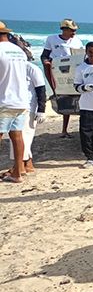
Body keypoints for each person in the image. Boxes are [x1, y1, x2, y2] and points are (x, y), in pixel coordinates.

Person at [0, 21, 31, 183]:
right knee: (17, 135)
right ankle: (18, 172)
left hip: (3, 99)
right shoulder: (19, 51)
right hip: (21, 99)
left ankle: (17, 172)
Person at [41, 19, 83, 138]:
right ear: (64, 29)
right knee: (62, 97)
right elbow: (44, 55)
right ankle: (64, 130)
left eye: (75, 30)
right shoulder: (52, 39)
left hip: (73, 71)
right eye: (71, 30)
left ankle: (78, 129)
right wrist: (46, 62)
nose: (74, 33)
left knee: (75, 98)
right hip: (58, 71)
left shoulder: (77, 41)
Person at [7, 62, 47, 175]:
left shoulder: (32, 69)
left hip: (29, 107)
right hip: (12, 106)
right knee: (15, 137)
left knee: (24, 137)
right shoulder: (11, 67)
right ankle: (27, 165)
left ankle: (19, 167)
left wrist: (41, 110)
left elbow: (41, 90)